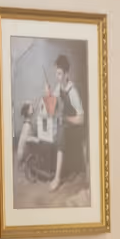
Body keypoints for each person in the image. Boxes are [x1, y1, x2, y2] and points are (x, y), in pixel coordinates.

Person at [46, 53, 86, 193]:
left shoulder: (73, 91)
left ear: (66, 74)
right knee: (53, 128)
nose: (57, 77)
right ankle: (53, 169)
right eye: (56, 73)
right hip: (66, 125)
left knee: (61, 130)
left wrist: (65, 119)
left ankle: (57, 178)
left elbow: (82, 119)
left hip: (76, 129)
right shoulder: (59, 88)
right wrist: (49, 95)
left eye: (59, 74)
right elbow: (52, 110)